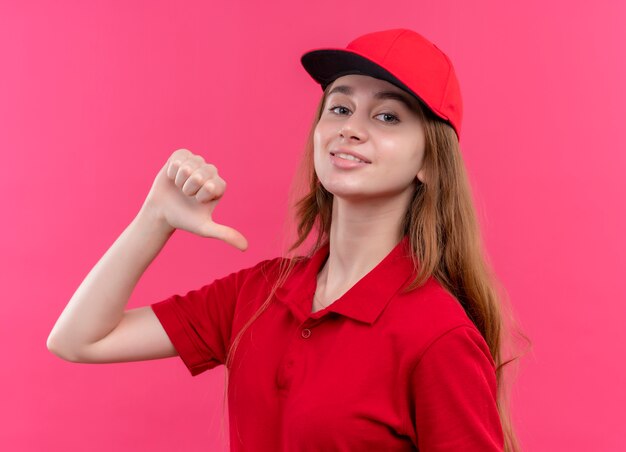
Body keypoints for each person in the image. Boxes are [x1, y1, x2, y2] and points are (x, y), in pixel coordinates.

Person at [48, 28, 526, 451]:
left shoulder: (438, 336)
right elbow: (78, 340)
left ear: (429, 161)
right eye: (339, 107)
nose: (350, 129)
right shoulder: (258, 295)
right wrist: (155, 218)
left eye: (387, 117)